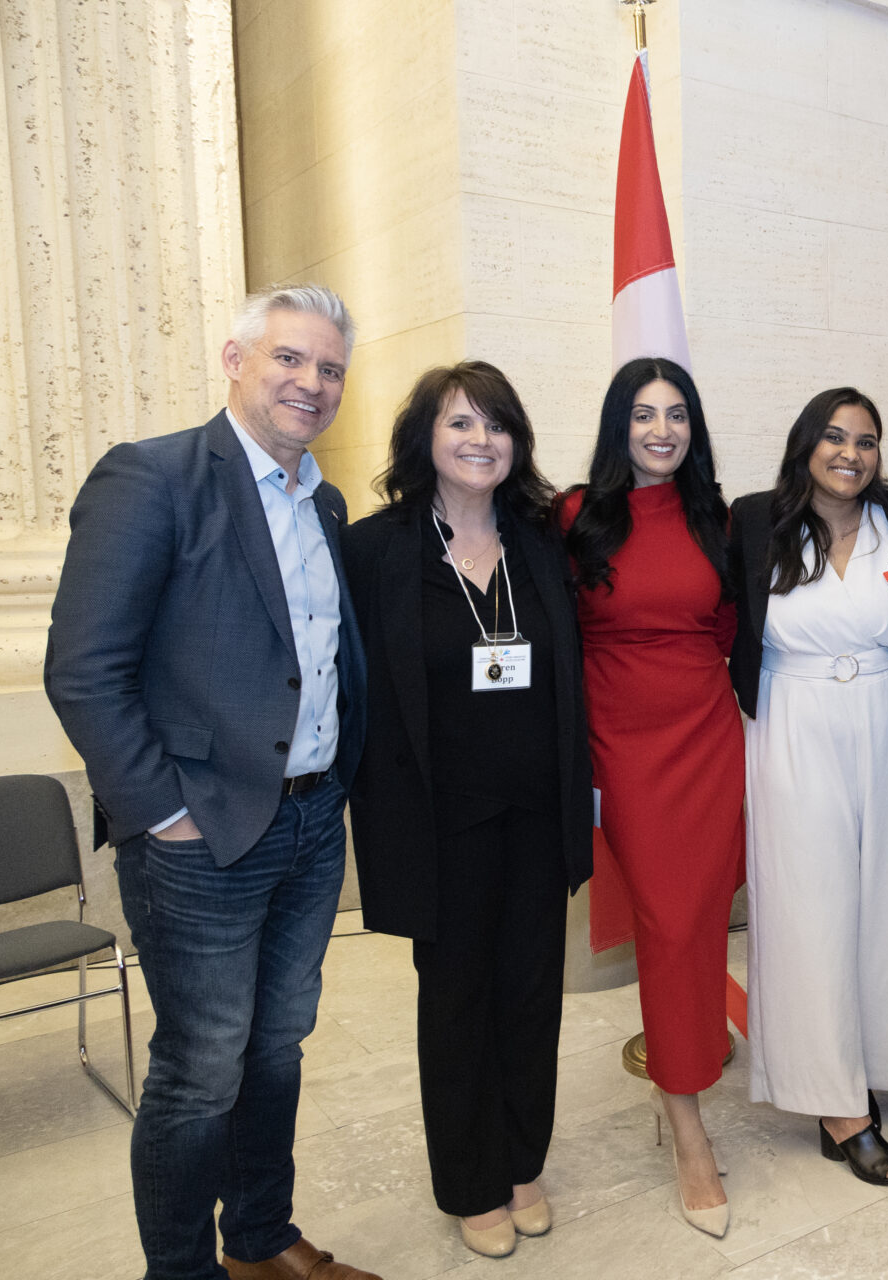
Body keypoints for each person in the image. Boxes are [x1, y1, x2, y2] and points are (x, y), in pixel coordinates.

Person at [44, 284, 381, 1280]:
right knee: (200, 1067)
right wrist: (162, 814)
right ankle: (182, 1267)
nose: (309, 382)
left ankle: (263, 1238)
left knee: (278, 1044)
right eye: (289, 358)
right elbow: (85, 669)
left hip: (314, 821)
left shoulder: (325, 499)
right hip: (198, 835)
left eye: (328, 368)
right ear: (235, 360)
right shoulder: (151, 478)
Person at [341, 363, 593, 1257]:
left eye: (497, 425)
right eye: (460, 424)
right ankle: (471, 1182)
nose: (481, 441)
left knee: (531, 995)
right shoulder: (377, 550)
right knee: (456, 1002)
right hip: (436, 823)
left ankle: (524, 1161)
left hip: (536, 812)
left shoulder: (540, 543)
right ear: (426, 440)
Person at [728, 387, 888, 1184]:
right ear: (805, 443)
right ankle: (835, 1102)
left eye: (868, 440)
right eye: (836, 437)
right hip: (794, 721)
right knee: (809, 906)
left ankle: (879, 1061)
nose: (852, 453)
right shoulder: (753, 520)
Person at [560, 357, 743, 1238]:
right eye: (643, 414)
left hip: (709, 744)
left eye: (676, 414)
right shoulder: (574, 517)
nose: (661, 429)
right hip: (622, 752)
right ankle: (688, 1131)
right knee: (670, 928)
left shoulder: (719, 518)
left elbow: (726, 630)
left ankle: (690, 1059)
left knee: (702, 921)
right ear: (617, 425)